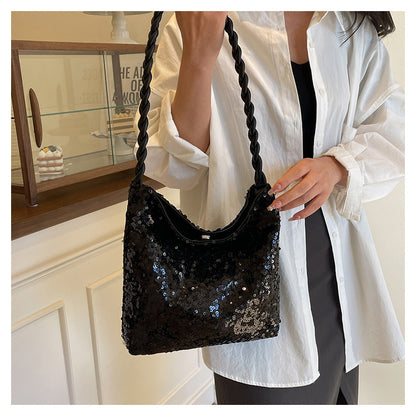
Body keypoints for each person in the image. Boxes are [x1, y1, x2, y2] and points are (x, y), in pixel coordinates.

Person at [133, 11, 405, 405]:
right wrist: (199, 58)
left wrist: (336, 167)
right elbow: (171, 166)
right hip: (248, 288)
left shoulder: (348, 23)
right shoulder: (198, 17)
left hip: (338, 277)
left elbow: (394, 127)